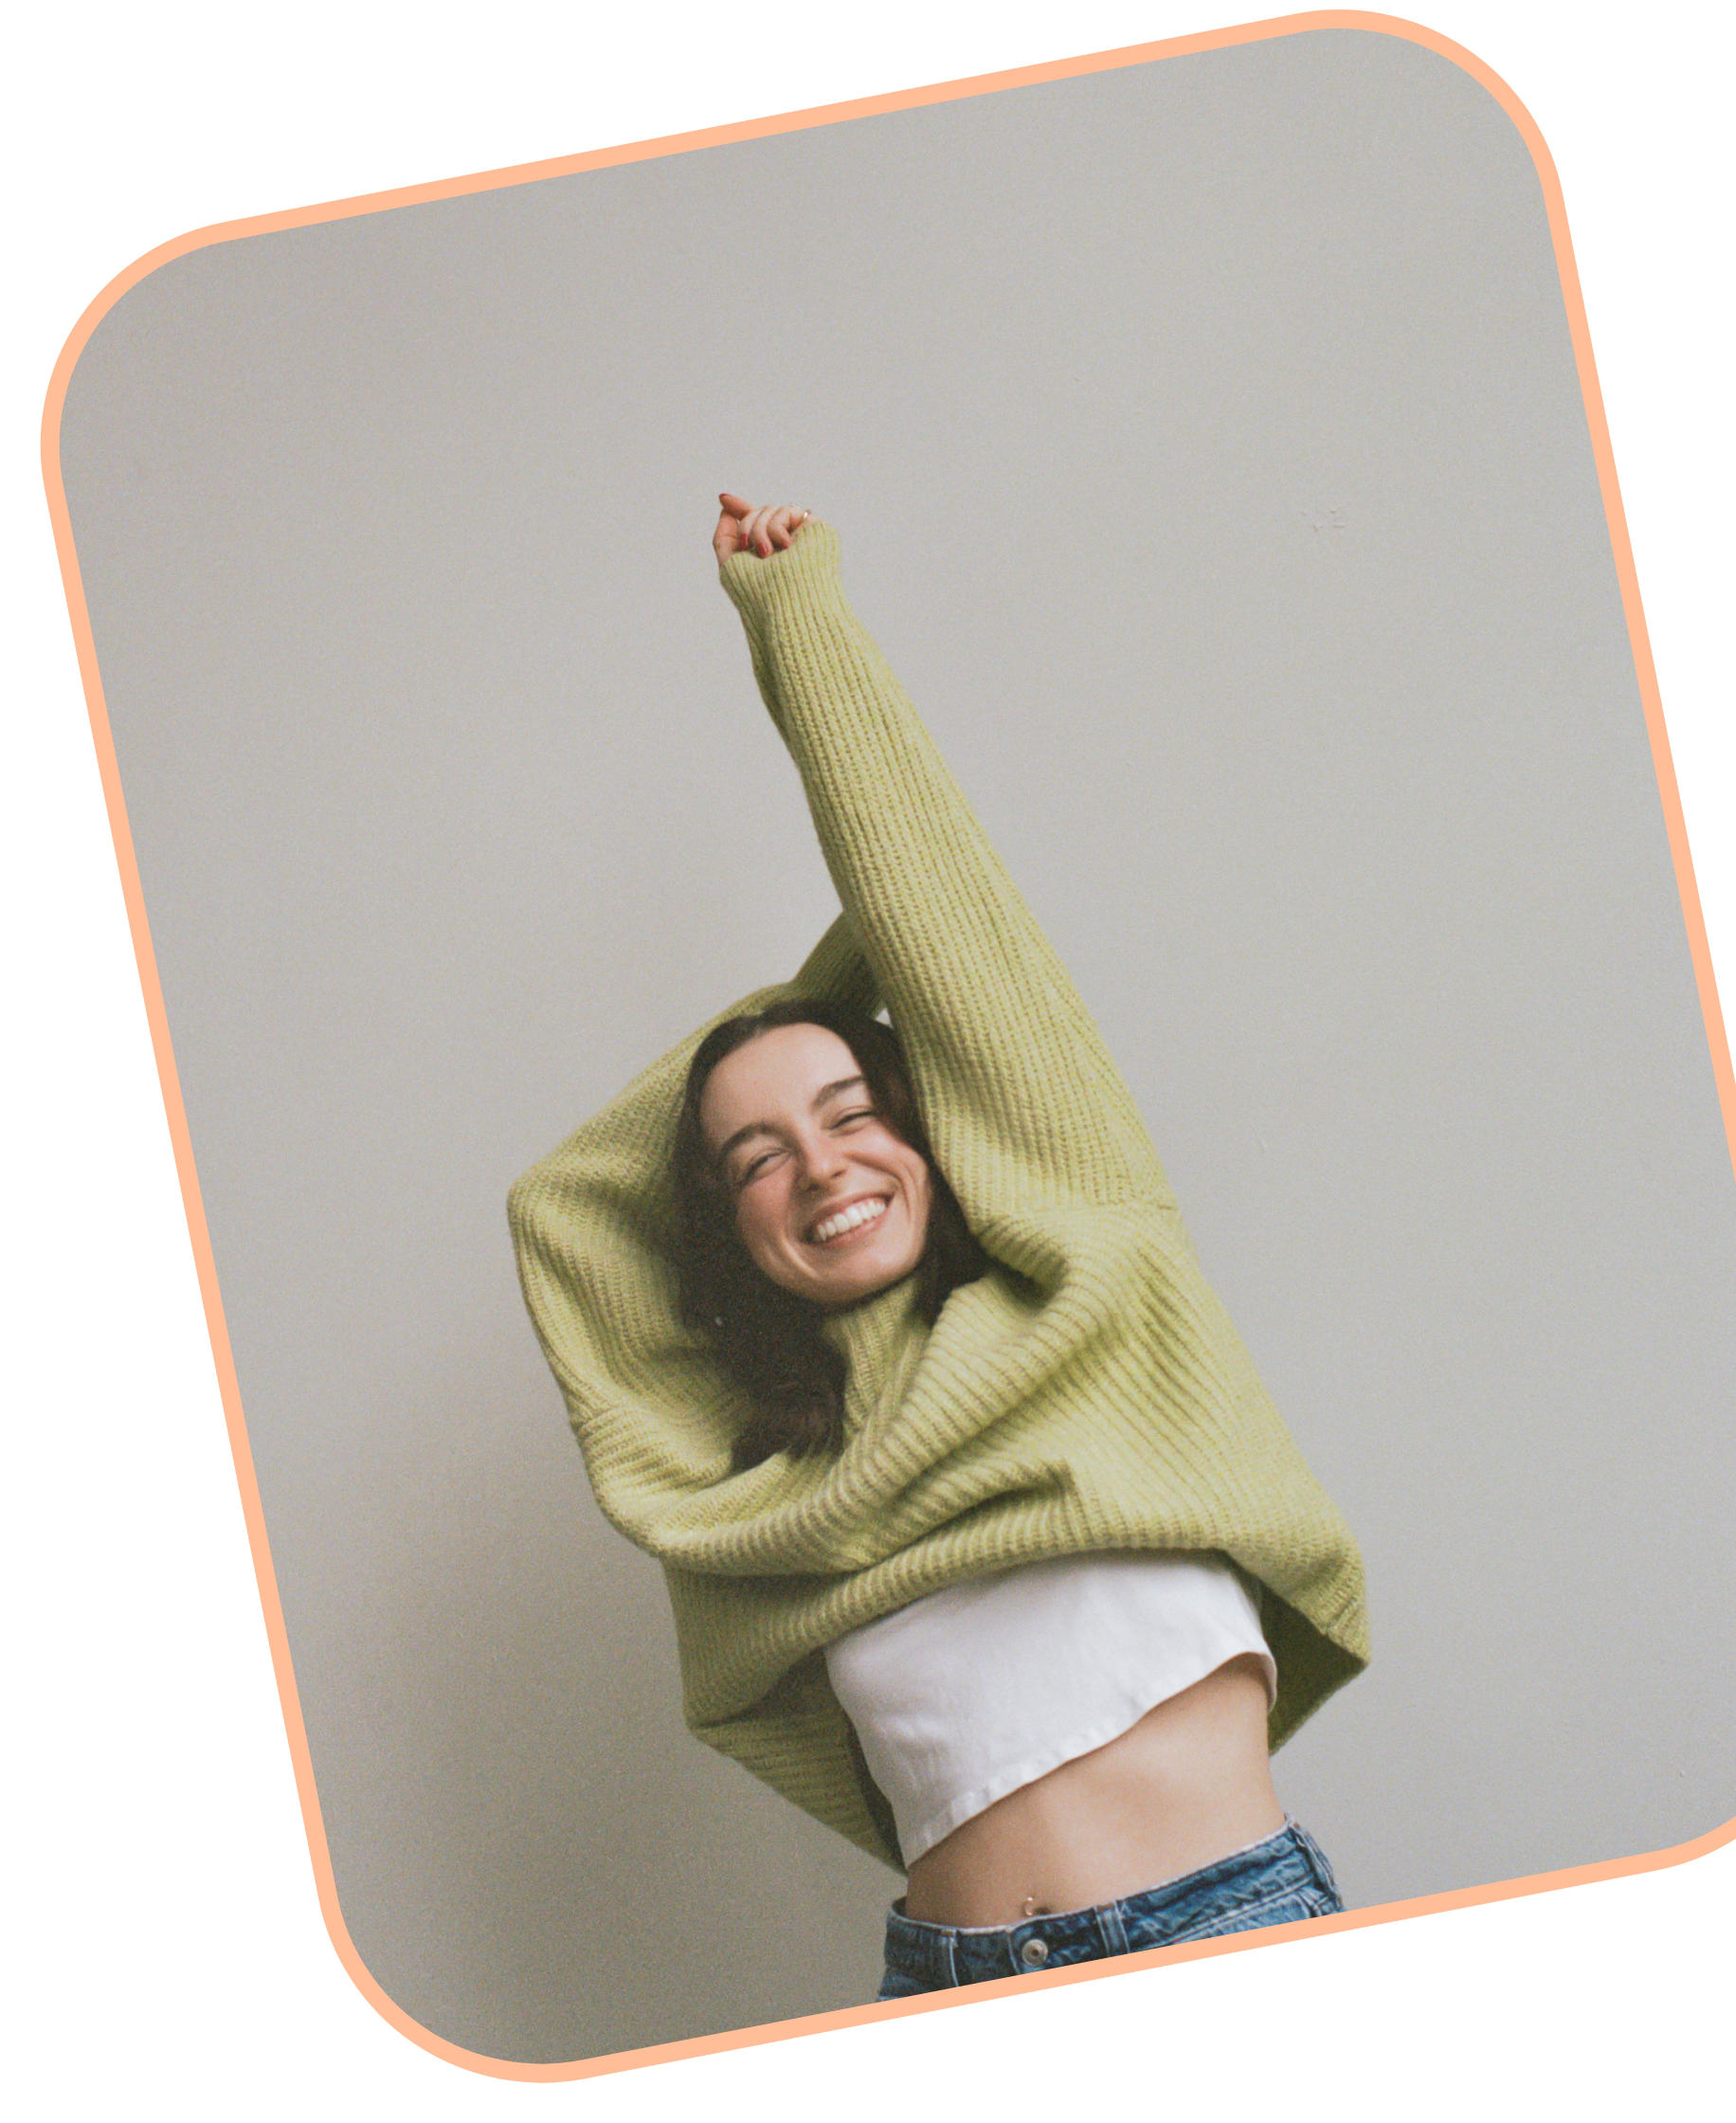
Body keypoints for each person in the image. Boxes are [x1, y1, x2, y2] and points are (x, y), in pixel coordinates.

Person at [509, 495, 1368, 2002]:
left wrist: (797, 625)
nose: (819, 1169)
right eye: (756, 1160)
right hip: (954, 1985)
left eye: (853, 1113)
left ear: (933, 1125)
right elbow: (567, 1206)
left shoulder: (1099, 1272)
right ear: (725, 1230)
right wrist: (796, 1031)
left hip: (1224, 1944)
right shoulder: (751, 1494)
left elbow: (952, 931)